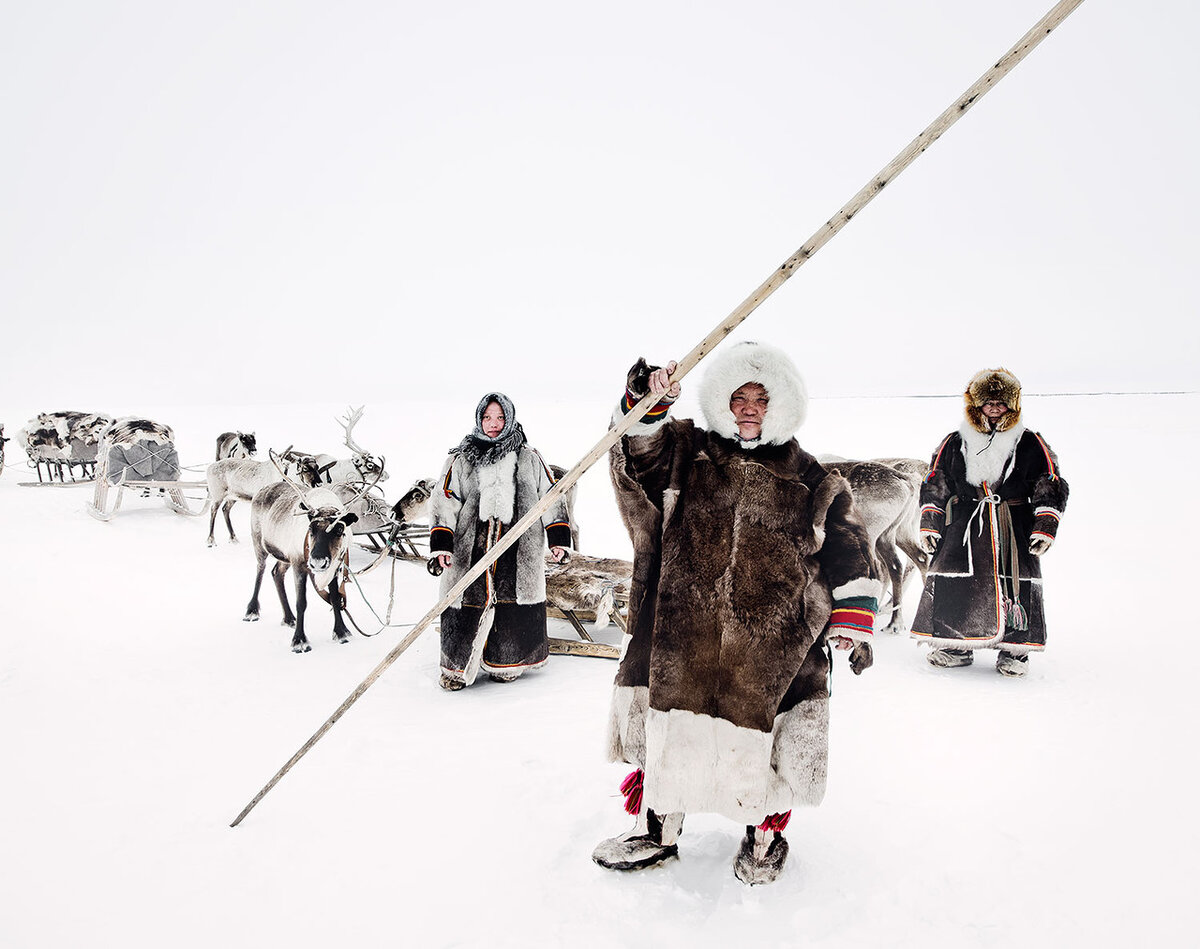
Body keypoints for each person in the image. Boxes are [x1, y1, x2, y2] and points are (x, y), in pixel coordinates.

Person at [593, 342, 880, 886]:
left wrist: (852, 617)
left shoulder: (812, 478)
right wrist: (648, 398)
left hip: (773, 643)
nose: (749, 408)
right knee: (668, 731)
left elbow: (849, 546)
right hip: (684, 634)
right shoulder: (689, 453)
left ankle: (764, 835)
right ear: (721, 402)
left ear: (782, 405)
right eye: (739, 397)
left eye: (761, 399)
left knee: (765, 742)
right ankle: (659, 829)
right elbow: (639, 450)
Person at [911, 368, 1068, 676]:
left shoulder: (1030, 442)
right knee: (958, 582)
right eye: (988, 403)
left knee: (1016, 584)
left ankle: (1015, 652)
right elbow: (936, 481)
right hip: (964, 526)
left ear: (1012, 405)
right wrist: (930, 521)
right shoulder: (955, 441)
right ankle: (956, 645)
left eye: (1001, 403)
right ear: (976, 405)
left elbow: (1049, 482)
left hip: (1014, 525)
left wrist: (1045, 525)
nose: (995, 408)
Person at [429, 392, 571, 691]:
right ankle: (456, 668)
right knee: (465, 599)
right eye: (487, 417)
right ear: (479, 419)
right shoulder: (461, 458)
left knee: (511, 600)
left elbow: (551, 495)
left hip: (518, 546)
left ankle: (508, 662)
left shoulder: (528, 457)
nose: (493, 424)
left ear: (510, 419)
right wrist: (442, 543)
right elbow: (445, 500)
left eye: (500, 417)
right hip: (470, 545)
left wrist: (558, 537)